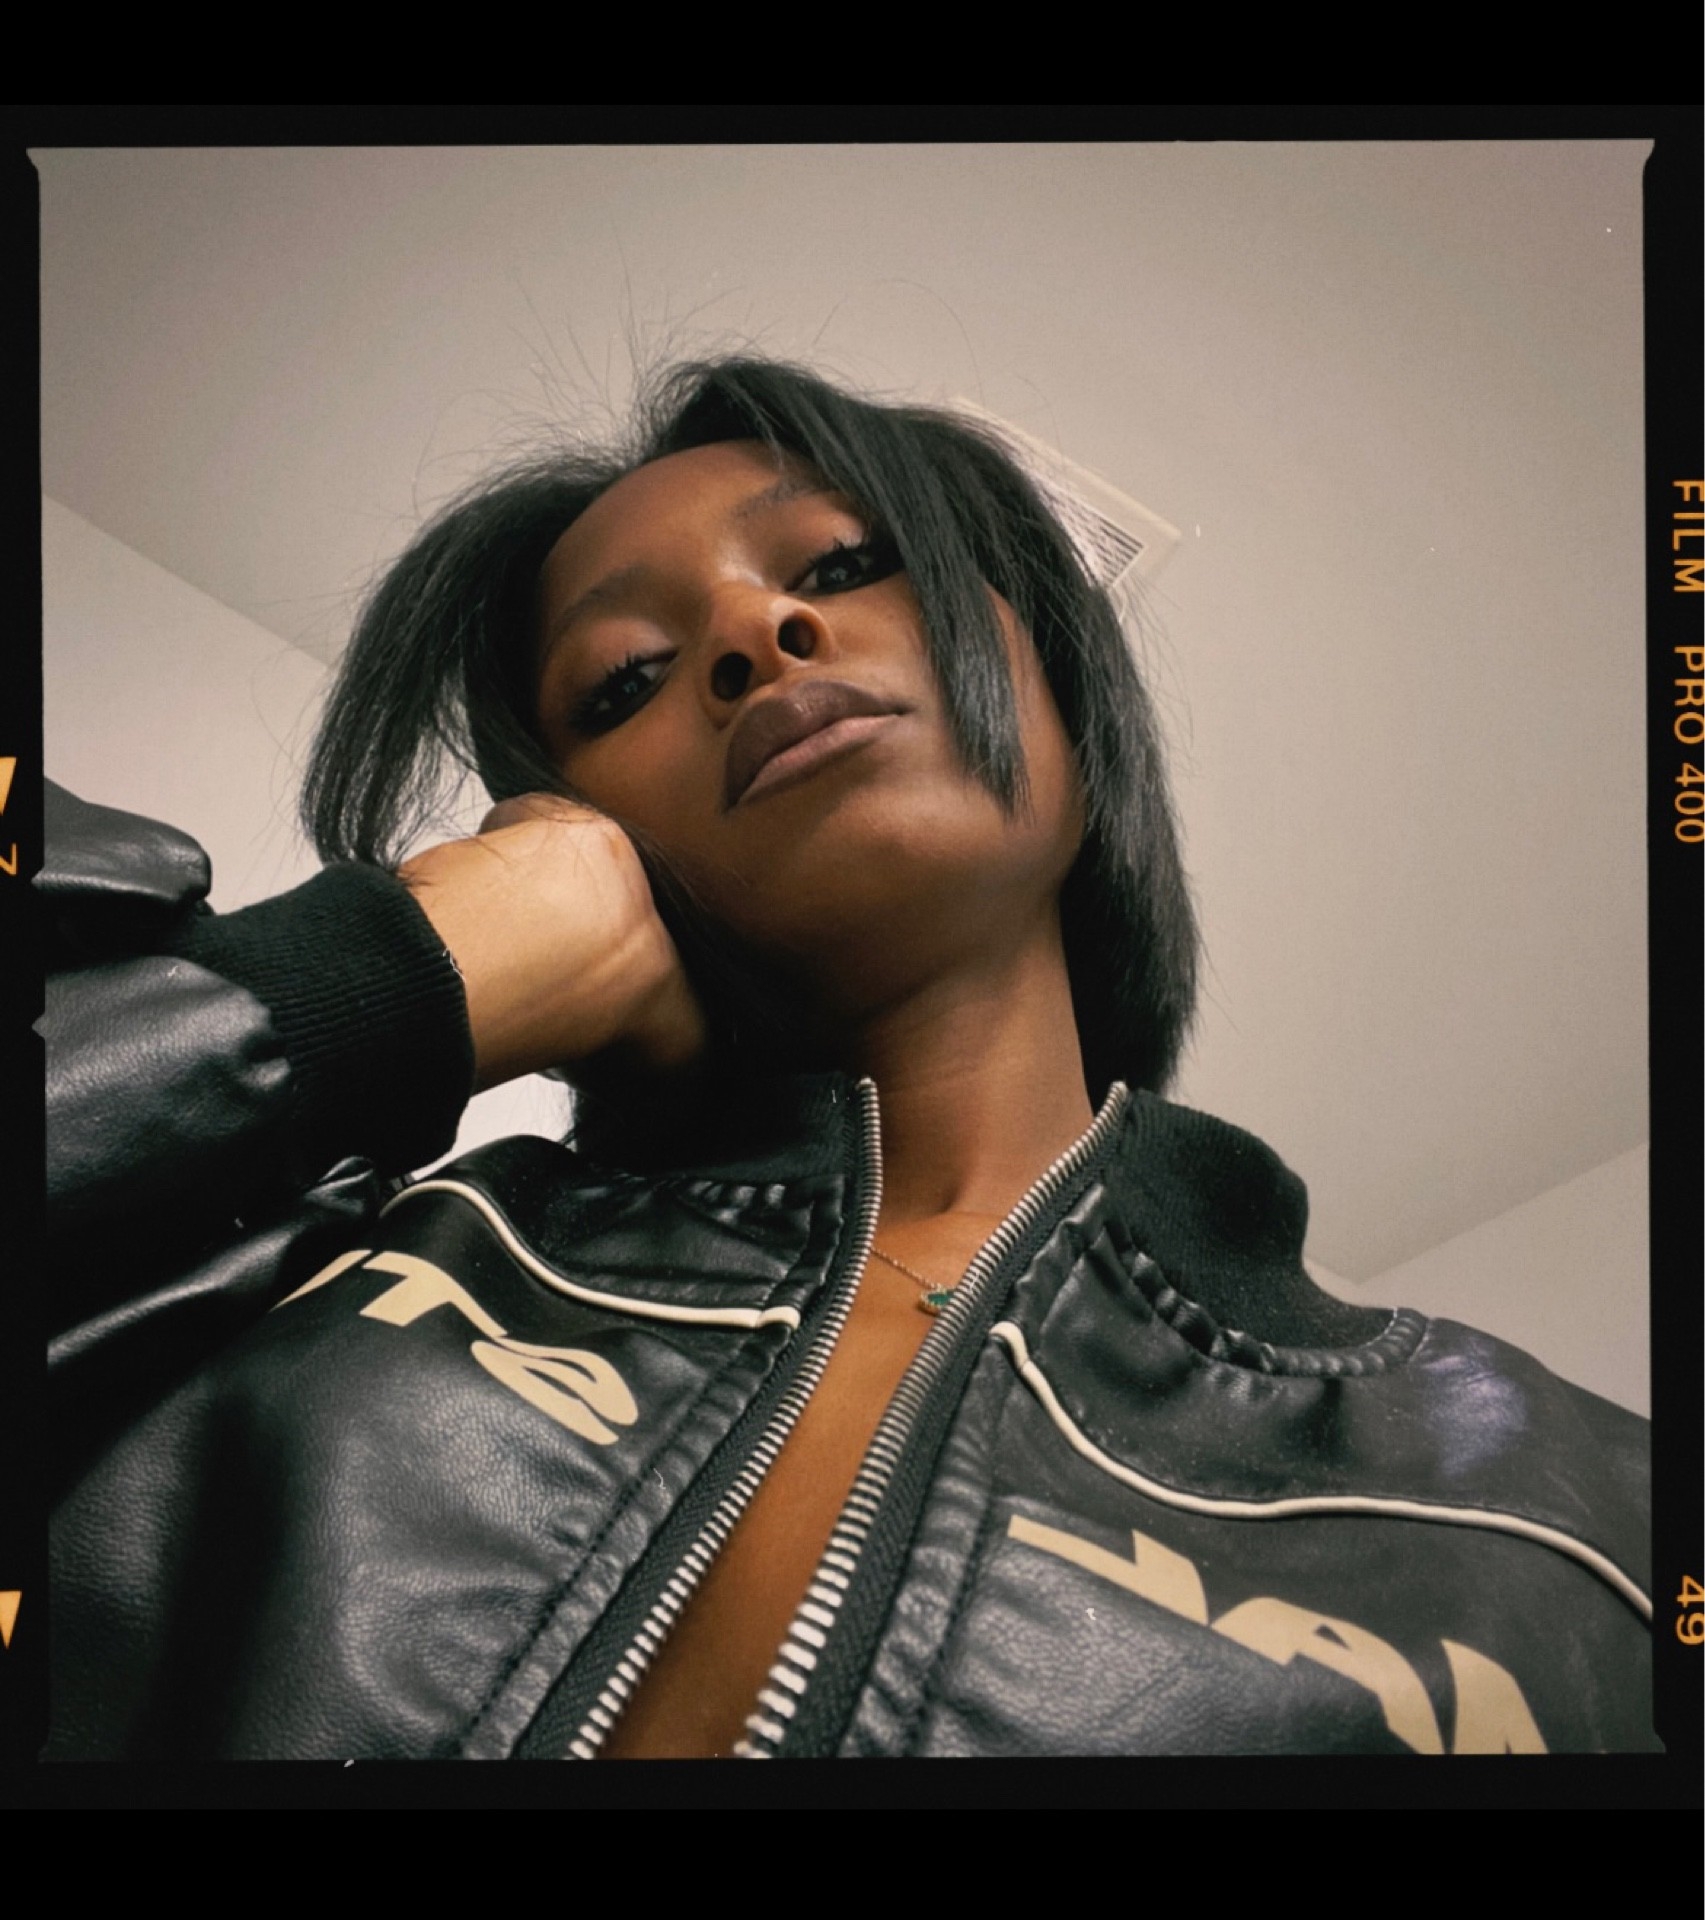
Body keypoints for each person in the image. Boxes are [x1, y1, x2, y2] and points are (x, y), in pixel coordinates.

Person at [42, 358, 1654, 1761]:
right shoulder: (324, 1269)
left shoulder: (1576, 1516)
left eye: (843, 562)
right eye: (622, 681)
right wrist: (394, 972)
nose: (756, 629)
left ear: (1064, 697)